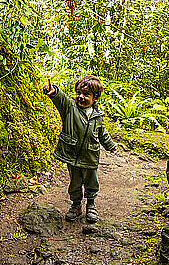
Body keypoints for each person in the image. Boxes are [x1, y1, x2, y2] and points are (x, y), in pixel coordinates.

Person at [43, 75, 116, 223]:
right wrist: (54, 91)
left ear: (95, 98)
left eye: (86, 95)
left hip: (91, 156)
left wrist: (110, 145)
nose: (81, 97)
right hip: (72, 155)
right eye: (78, 93)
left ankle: (91, 205)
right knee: (75, 182)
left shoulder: (98, 116)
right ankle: (76, 205)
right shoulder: (70, 108)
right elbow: (61, 98)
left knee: (91, 182)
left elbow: (102, 132)